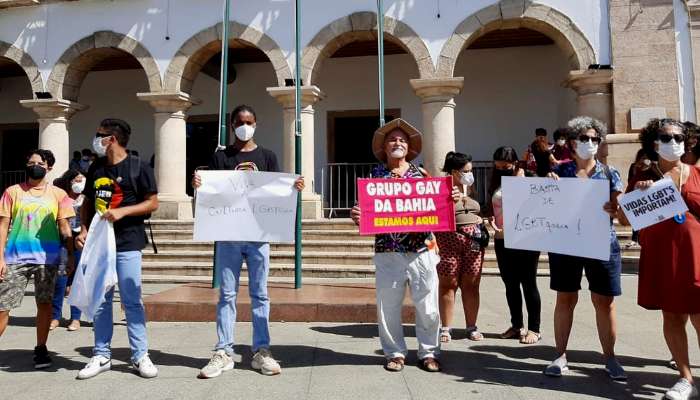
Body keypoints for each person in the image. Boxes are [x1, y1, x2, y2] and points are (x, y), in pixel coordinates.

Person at [192, 104, 305, 379]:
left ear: (256, 123)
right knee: (226, 296)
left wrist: (293, 188)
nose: (245, 125)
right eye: (241, 121)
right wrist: (199, 186)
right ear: (232, 125)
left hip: (258, 237)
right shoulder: (221, 157)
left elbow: (276, 193)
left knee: (260, 294)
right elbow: (215, 194)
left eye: (250, 121)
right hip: (229, 236)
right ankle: (223, 351)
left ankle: (261, 350)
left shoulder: (267, 156)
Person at [351, 118, 459, 373]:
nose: (397, 142)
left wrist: (451, 197)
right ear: (384, 147)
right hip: (388, 251)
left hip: (421, 248)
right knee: (387, 306)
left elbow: (439, 205)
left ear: (409, 147)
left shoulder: (422, 175)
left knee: (428, 305)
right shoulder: (373, 176)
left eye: (402, 139)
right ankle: (394, 353)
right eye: (392, 139)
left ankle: (429, 352)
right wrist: (358, 216)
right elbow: (366, 212)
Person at [543, 116, 627, 381]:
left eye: (594, 139)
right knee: (565, 298)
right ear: (572, 142)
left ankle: (610, 358)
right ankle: (560, 355)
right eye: (584, 138)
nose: (590, 143)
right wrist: (549, 189)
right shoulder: (560, 172)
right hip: (567, 243)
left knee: (604, 302)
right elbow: (546, 208)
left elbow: (623, 216)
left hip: (602, 242)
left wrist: (615, 208)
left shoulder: (610, 172)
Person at [75, 118, 159, 379]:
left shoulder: (138, 166)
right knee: (101, 299)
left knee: (131, 300)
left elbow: (153, 203)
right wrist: (84, 229)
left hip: (128, 242)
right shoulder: (97, 167)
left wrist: (123, 212)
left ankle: (140, 354)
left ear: (111, 139)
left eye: (99, 135)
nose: (95, 139)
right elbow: (88, 200)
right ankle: (101, 354)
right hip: (99, 244)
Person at [632, 118, 700, 400]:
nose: (673, 142)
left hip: (695, 252)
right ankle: (686, 378)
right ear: (654, 142)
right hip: (662, 254)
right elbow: (625, 217)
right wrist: (637, 194)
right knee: (672, 315)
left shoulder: (697, 174)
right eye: (666, 137)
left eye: (679, 137)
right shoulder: (642, 176)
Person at [0, 149, 75, 369]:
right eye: (31, 162)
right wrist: (1, 257)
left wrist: (69, 256)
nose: (35, 166)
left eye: (40, 163)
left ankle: (41, 349)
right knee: (3, 305)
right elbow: (3, 225)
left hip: (47, 259)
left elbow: (66, 229)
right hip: (15, 257)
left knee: (44, 304)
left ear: (49, 167)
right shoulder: (12, 192)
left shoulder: (59, 195)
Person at [488, 146, 542, 345]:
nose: (502, 169)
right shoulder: (496, 180)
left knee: (528, 284)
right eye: (499, 166)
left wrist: (523, 181)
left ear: (515, 162)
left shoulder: (528, 176)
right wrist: (492, 221)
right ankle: (516, 325)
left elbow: (538, 203)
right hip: (502, 239)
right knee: (510, 284)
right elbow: (493, 205)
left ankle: (534, 328)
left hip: (526, 238)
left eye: (506, 166)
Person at [435, 152, 486, 343]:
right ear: (455, 172)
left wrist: (481, 220)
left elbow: (476, 208)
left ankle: (472, 326)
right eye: (466, 171)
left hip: (473, 241)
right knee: (448, 284)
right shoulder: (440, 188)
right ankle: (446, 328)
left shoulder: (469, 188)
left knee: (472, 284)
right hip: (448, 239)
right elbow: (432, 212)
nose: (470, 174)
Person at [49, 169, 86, 332]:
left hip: (81, 240)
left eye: (82, 180)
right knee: (61, 280)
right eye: (77, 180)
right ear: (70, 181)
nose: (80, 183)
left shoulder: (87, 199)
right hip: (63, 239)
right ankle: (55, 316)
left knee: (78, 280)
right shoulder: (62, 197)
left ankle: (75, 318)